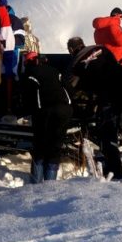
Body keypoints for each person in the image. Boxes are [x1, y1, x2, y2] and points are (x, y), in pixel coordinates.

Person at [67, 43, 122, 181]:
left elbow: (71, 84)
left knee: (107, 134)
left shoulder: (77, 62)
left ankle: (114, 171)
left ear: (71, 50)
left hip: (107, 98)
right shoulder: (102, 49)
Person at [20, 52, 73, 183]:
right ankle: (50, 184)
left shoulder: (30, 74)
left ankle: (36, 183)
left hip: (44, 111)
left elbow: (27, 96)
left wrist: (22, 112)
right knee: (55, 145)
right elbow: (69, 89)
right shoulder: (55, 71)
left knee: (40, 146)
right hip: (65, 109)